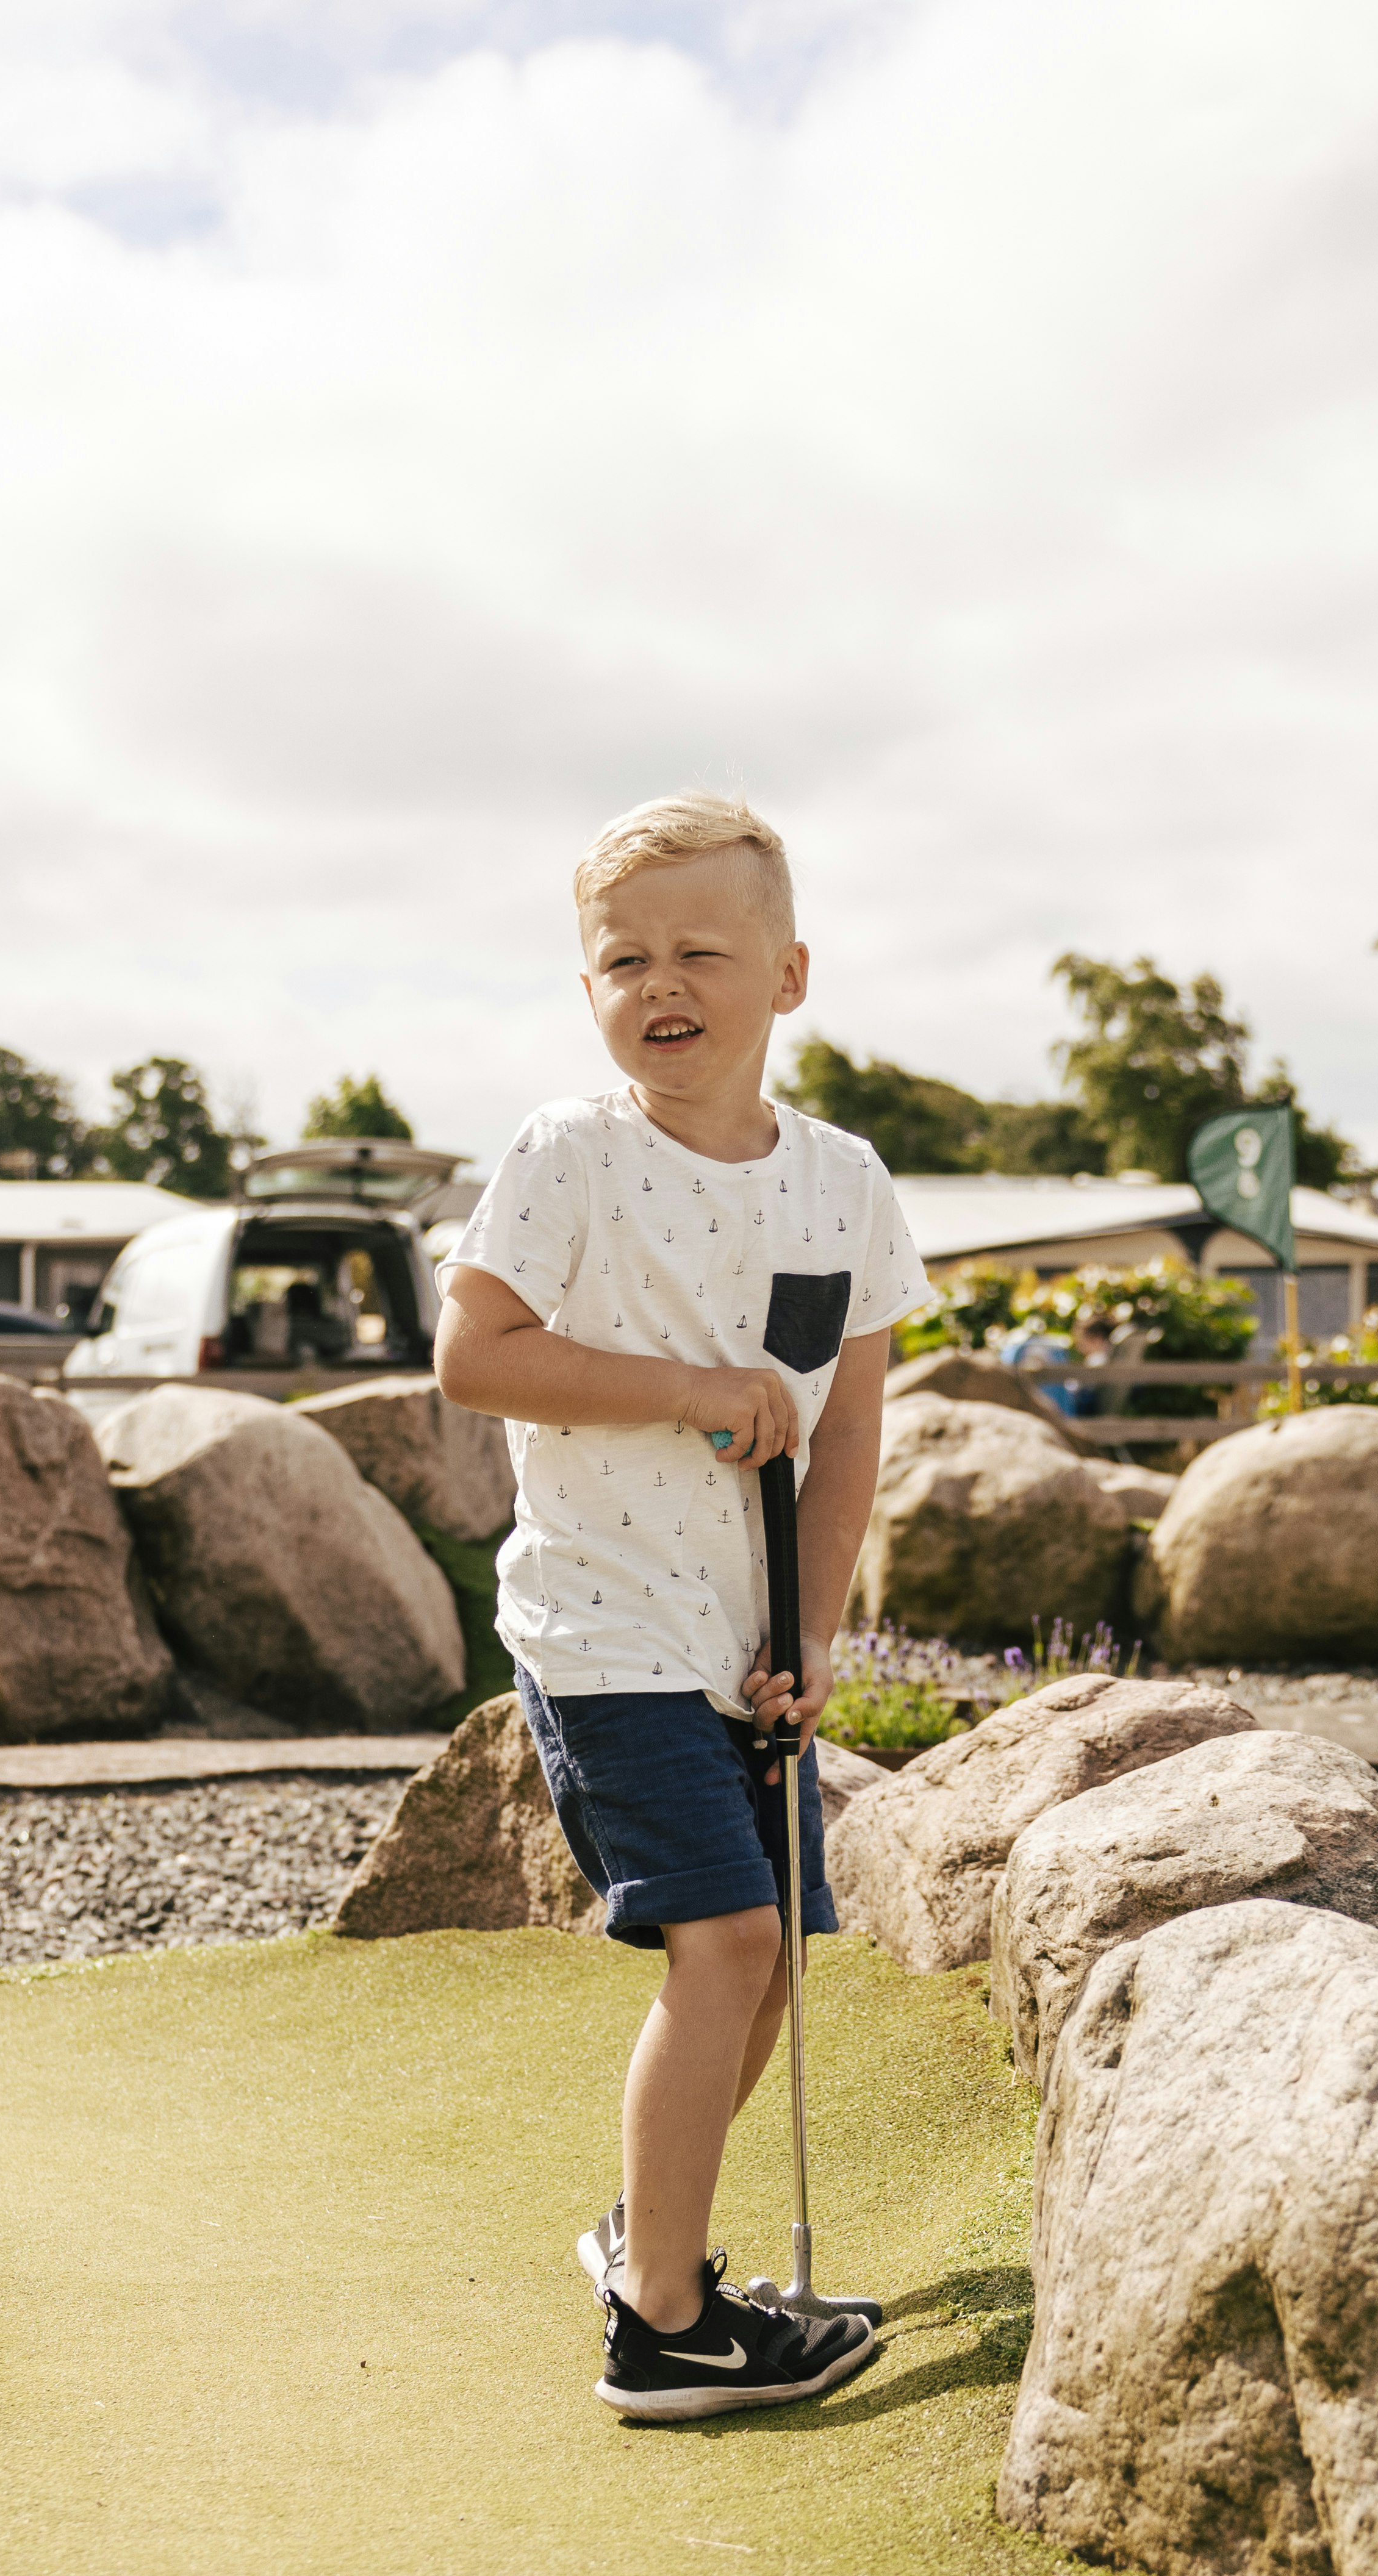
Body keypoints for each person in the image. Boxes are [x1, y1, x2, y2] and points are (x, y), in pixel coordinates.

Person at [432, 794, 930, 2422]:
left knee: (768, 1960)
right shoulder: (570, 1155)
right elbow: (478, 1357)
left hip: (742, 1644)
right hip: (600, 1633)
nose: (664, 982)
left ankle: (662, 2239)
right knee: (719, 1943)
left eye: (702, 951)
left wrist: (814, 1632)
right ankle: (664, 2326)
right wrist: (687, 1391)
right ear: (591, 989)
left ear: (786, 975)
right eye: (624, 956)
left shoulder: (844, 1184)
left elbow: (848, 1427)